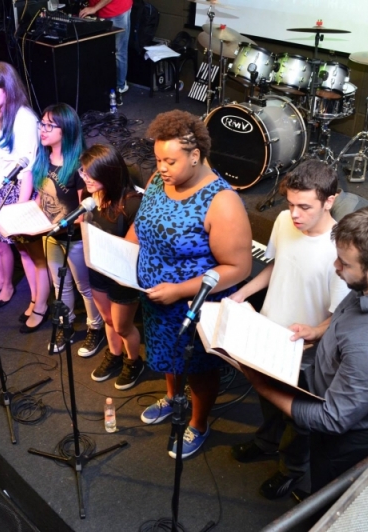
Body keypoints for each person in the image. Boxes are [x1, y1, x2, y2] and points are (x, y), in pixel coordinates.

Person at [248, 205, 368, 493]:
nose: (336, 267)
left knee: (325, 491)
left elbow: (332, 418)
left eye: (344, 264)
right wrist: (319, 330)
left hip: (345, 440)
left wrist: (262, 385)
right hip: (327, 389)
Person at [128, 110, 252, 459]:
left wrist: (180, 290)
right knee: (167, 357)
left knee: (196, 369)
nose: (162, 168)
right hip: (156, 298)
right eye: (158, 159)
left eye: (170, 160)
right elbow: (142, 225)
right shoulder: (159, 179)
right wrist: (121, 256)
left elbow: (238, 267)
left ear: (195, 156)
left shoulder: (222, 202)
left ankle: (198, 423)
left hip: (192, 304)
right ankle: (170, 397)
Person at [228, 160, 350, 499]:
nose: (294, 214)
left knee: (299, 421)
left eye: (305, 207)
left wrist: (314, 331)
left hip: (304, 351)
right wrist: (243, 293)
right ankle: (266, 443)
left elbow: (340, 316)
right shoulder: (284, 220)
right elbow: (277, 265)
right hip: (268, 331)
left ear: (330, 200)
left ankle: (292, 472)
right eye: (291, 204)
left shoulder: (340, 249)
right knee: (266, 397)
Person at [36, 104, 106, 356]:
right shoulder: (43, 157)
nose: (42, 130)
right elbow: (40, 194)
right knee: (60, 286)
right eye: (41, 124)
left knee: (84, 287)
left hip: (73, 238)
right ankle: (66, 327)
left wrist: (62, 224)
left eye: (48, 125)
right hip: (49, 235)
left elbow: (86, 209)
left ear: (65, 131)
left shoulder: (78, 164)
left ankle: (94, 328)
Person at [80, 144, 144, 389]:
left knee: (122, 326)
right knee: (107, 319)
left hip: (122, 274)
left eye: (89, 174)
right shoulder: (93, 199)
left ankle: (133, 361)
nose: (85, 178)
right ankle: (115, 355)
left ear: (108, 173)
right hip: (98, 269)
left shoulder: (133, 204)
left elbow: (129, 249)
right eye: (83, 172)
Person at [0, 62, 39, 308]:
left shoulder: (24, 119)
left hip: (20, 192)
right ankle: (18, 290)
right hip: (1, 189)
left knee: (27, 252)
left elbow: (28, 172)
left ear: (7, 89)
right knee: (8, 246)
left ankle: (37, 301)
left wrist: (20, 212)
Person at [79, 0, 132, 99]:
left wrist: (94, 8)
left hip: (116, 9)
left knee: (118, 51)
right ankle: (107, 87)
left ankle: (119, 87)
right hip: (98, 9)